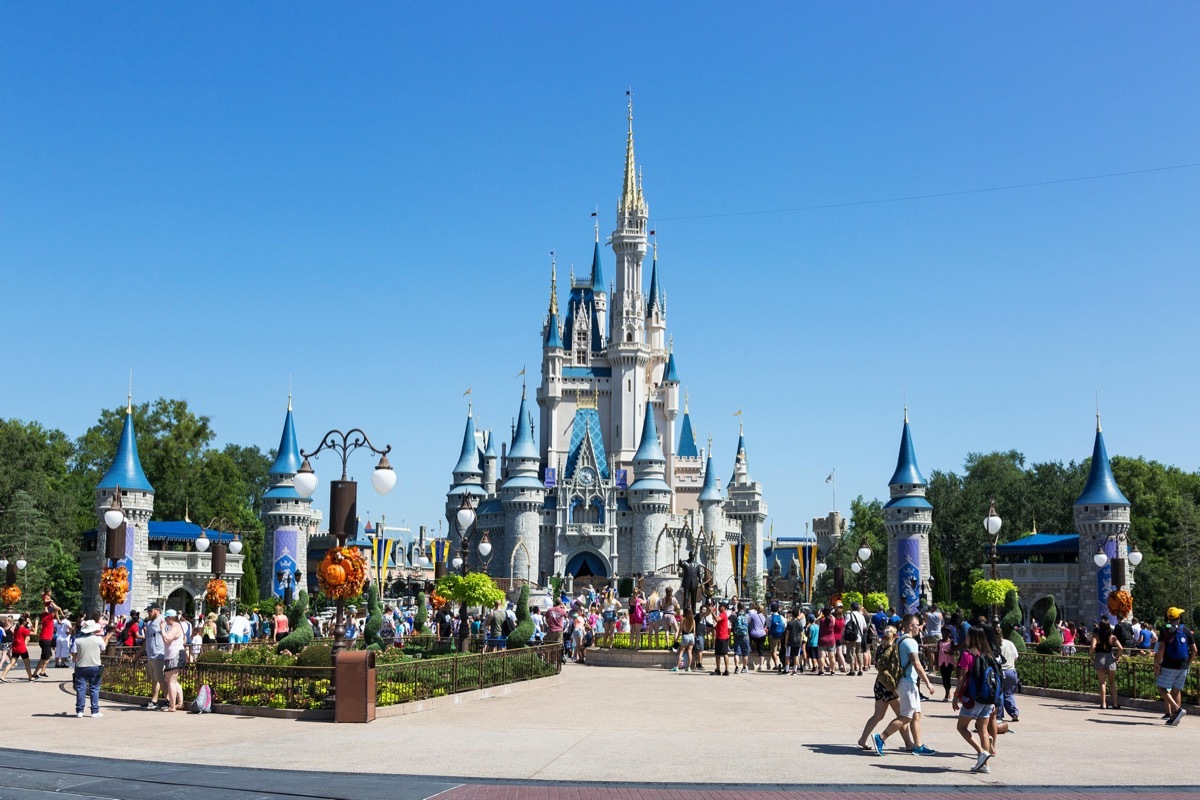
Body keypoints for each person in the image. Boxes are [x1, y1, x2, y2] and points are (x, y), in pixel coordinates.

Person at [873, 614, 936, 757]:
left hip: (907, 681)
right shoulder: (910, 642)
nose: (920, 627)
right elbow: (916, 663)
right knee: (906, 716)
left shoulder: (901, 639)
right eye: (917, 624)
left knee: (916, 714)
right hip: (907, 682)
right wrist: (928, 683)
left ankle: (918, 745)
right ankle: (881, 737)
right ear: (910, 626)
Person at [858, 627, 914, 752]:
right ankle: (908, 744)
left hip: (880, 683)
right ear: (895, 635)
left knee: (877, 715)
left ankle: (862, 739)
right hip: (890, 686)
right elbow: (895, 669)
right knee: (902, 716)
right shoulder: (895, 649)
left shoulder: (880, 648)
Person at [954, 626, 998, 773]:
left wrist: (956, 695)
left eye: (967, 635)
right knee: (983, 730)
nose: (965, 638)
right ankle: (984, 765)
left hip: (973, 698)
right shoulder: (988, 654)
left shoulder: (968, 655)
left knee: (961, 727)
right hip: (988, 698)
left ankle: (981, 752)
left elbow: (962, 676)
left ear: (972, 638)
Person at [1154, 607, 1196, 726]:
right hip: (1183, 666)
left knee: (1161, 688)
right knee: (1176, 691)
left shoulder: (1165, 629)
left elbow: (1161, 648)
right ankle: (1174, 717)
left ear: (1168, 617)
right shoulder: (1186, 630)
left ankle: (1177, 710)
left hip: (1169, 665)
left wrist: (1158, 663)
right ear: (1179, 617)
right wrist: (1189, 662)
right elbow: (1194, 650)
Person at [72, 619, 107, 718]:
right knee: (94, 688)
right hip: (95, 665)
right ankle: (94, 711)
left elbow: (74, 652)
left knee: (80, 688)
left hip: (81, 666)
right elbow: (103, 648)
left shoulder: (78, 640)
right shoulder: (98, 639)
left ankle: (80, 710)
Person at [1089, 619, 1123, 709]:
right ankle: (1115, 703)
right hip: (1110, 657)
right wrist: (1117, 657)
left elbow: (1092, 647)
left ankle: (1104, 703)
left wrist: (1090, 655)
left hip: (1100, 657)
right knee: (1112, 682)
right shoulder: (1112, 637)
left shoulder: (1096, 636)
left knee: (1102, 682)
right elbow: (1120, 648)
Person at [160, 610, 186, 712]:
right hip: (173, 655)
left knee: (171, 682)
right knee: (174, 682)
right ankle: (180, 703)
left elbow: (167, 639)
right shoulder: (176, 626)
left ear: (170, 618)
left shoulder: (175, 627)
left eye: (166, 618)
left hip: (173, 656)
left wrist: (162, 629)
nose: (165, 620)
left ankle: (172, 706)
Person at [140, 605, 166, 708]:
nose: (149, 613)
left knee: (161, 678)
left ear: (157, 610)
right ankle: (154, 701)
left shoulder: (163, 620)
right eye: (148, 611)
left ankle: (168, 700)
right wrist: (139, 654)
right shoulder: (149, 623)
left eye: (151, 611)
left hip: (159, 653)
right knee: (154, 679)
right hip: (151, 654)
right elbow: (147, 640)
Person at [1, 614, 35, 682]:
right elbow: (35, 633)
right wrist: (36, 624)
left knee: (11, 663)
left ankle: (2, 676)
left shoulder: (17, 628)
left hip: (15, 648)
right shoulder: (23, 629)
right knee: (27, 663)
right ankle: (30, 677)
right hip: (22, 649)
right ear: (24, 622)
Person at [997, 631, 1020, 723]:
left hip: (1000, 671)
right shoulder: (1010, 643)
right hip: (1010, 671)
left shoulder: (993, 645)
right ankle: (1014, 712)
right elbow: (1016, 656)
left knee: (999, 693)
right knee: (1009, 693)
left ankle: (999, 714)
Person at [35, 597, 59, 678]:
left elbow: (46, 608)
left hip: (45, 639)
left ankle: (42, 671)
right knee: (43, 658)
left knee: (49, 656)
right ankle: (35, 673)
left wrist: (47, 603)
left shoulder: (45, 616)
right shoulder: (49, 617)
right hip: (46, 640)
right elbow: (57, 609)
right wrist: (51, 601)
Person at [845, 602, 867, 676]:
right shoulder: (861, 616)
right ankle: (860, 669)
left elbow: (846, 625)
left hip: (852, 637)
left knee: (851, 653)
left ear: (851, 607)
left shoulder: (849, 615)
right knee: (859, 653)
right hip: (859, 637)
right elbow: (864, 627)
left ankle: (852, 669)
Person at [711, 601, 731, 676]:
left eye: (721, 606)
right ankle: (725, 670)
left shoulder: (723, 614)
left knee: (719, 654)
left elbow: (717, 619)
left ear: (724, 607)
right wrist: (712, 628)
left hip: (721, 637)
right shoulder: (723, 614)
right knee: (723, 654)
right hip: (723, 636)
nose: (719, 607)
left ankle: (719, 670)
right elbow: (719, 625)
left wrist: (712, 612)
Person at [782, 608, 805, 674]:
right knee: (796, 656)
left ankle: (787, 669)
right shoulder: (800, 623)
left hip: (790, 641)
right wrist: (800, 642)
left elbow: (787, 634)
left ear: (792, 615)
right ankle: (795, 670)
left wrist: (786, 642)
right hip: (797, 642)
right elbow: (801, 634)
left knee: (787, 655)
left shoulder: (790, 623)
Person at [936, 628, 956, 701]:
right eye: (943, 632)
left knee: (948, 676)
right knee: (944, 677)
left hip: (949, 662)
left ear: (949, 633)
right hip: (942, 662)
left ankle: (948, 693)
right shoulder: (940, 642)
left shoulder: (951, 642)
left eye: (946, 632)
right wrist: (936, 662)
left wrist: (949, 652)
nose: (944, 634)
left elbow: (953, 652)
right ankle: (946, 692)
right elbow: (938, 652)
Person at [731, 603, 751, 673]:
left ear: (737, 607)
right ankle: (744, 667)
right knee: (745, 653)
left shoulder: (734, 615)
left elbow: (729, 619)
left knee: (736, 652)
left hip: (737, 636)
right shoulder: (747, 616)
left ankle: (736, 667)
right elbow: (749, 623)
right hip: (745, 637)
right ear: (744, 607)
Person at [748, 602, 767, 671]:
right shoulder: (764, 617)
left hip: (753, 634)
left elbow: (748, 622)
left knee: (749, 636)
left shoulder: (753, 615)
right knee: (761, 650)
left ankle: (750, 647)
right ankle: (760, 665)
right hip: (762, 634)